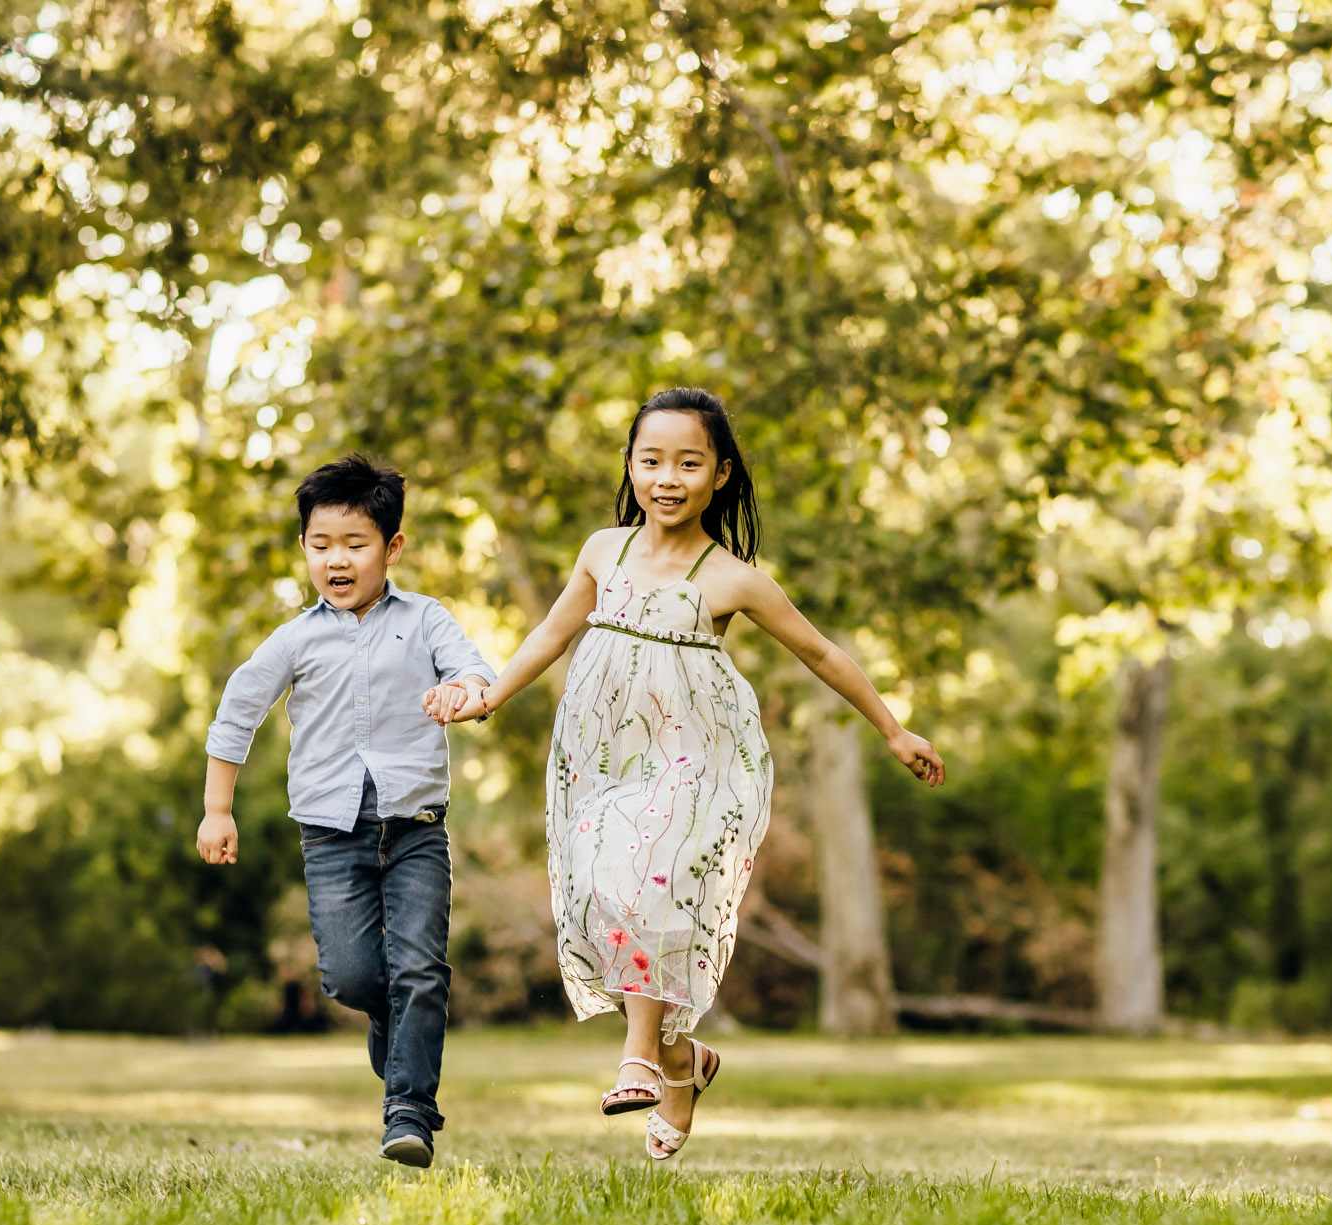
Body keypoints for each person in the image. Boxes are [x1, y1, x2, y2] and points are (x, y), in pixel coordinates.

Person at [427, 387, 945, 1159]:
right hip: (606, 762)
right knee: (610, 884)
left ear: (721, 474)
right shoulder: (604, 550)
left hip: (696, 763)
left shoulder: (732, 577)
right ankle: (683, 1062)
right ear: (631, 466)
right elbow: (551, 633)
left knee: (650, 882)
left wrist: (893, 728)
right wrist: (491, 695)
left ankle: (638, 1056)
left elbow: (821, 652)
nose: (666, 477)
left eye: (688, 462)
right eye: (651, 460)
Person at [198, 453, 492, 1169]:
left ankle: (409, 1111)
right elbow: (237, 713)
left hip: (416, 829)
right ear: (303, 548)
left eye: (354, 543)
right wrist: (217, 810)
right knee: (355, 977)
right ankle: (390, 1036)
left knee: (421, 967)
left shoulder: (425, 620)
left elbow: (473, 668)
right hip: (331, 836)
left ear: (391, 547)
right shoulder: (295, 638)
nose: (336, 558)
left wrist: (466, 693)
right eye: (321, 544)